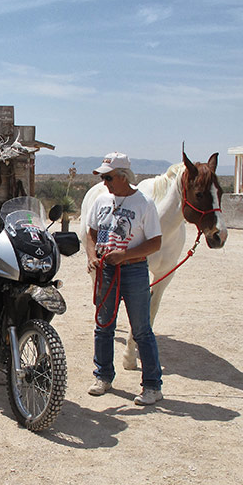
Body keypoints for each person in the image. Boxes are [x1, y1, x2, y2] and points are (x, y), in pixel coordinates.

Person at [85, 152, 164, 405]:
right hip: (107, 271)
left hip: (133, 271)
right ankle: (103, 376)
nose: (105, 183)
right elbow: (91, 232)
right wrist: (91, 256)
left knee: (141, 329)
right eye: (103, 178)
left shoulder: (144, 203)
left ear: (122, 177)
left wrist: (126, 255)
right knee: (103, 326)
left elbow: (155, 242)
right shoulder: (101, 200)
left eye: (108, 177)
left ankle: (152, 386)